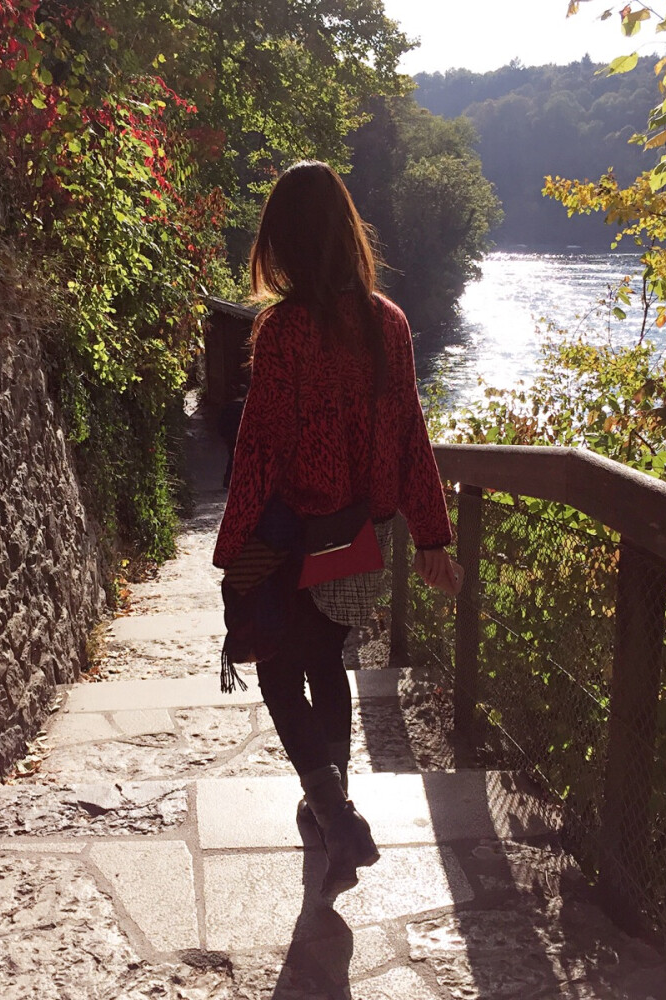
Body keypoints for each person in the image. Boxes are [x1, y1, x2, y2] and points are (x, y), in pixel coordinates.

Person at [212, 160, 460, 900]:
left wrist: (233, 552)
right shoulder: (391, 323)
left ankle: (333, 812)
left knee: (281, 670)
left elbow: (260, 446)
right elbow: (413, 433)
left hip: (294, 536)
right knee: (328, 663)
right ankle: (332, 811)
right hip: (360, 535)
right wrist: (430, 536)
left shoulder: (284, 329)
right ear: (348, 234)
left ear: (282, 243)